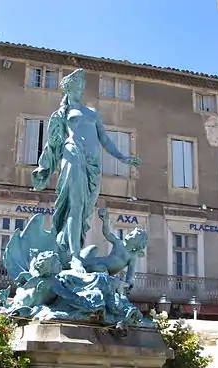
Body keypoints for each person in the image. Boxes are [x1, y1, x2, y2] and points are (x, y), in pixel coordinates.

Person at [32, 69, 140, 273]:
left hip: (93, 166)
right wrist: (43, 167)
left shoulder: (92, 113)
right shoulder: (62, 114)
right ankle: (74, 257)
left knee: (85, 212)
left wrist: (123, 158)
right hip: (73, 156)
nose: (81, 89)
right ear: (69, 89)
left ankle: (72, 250)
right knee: (76, 206)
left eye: (82, 86)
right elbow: (52, 144)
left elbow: (105, 140)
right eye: (77, 86)